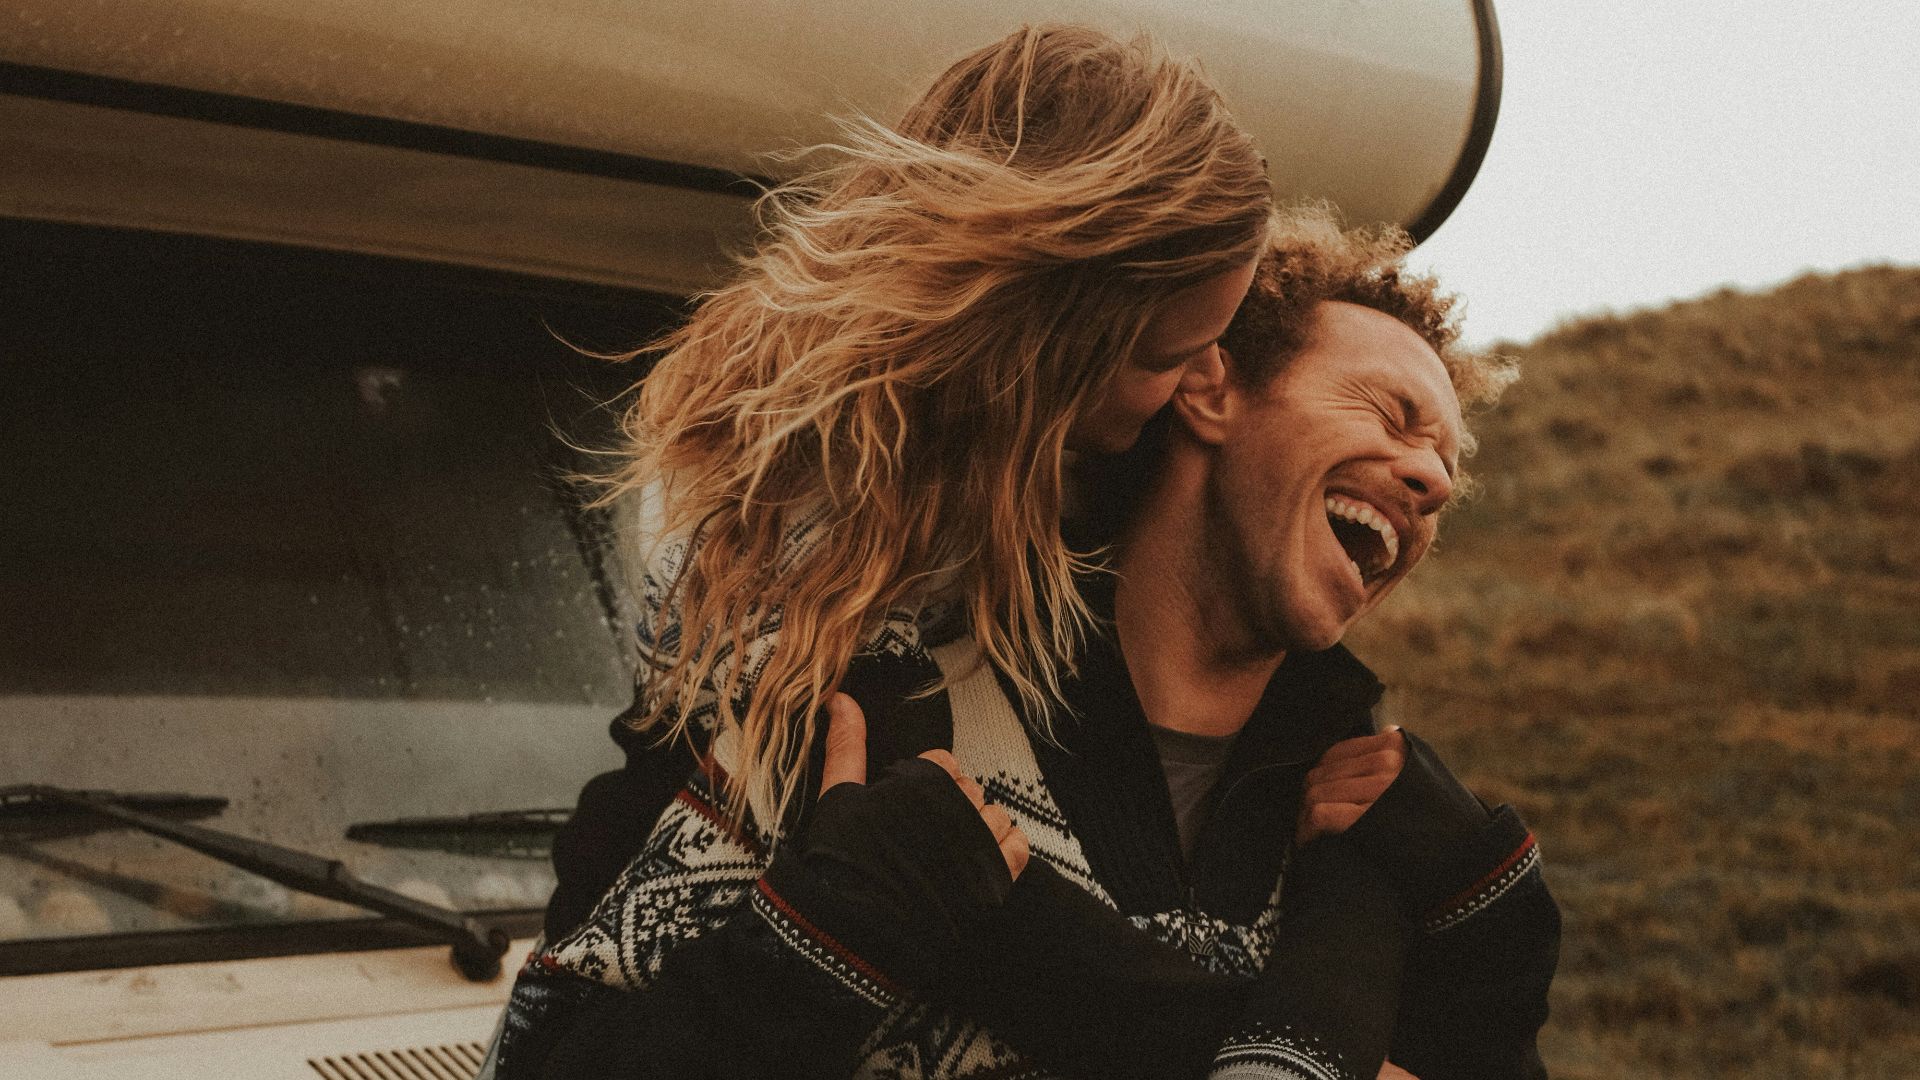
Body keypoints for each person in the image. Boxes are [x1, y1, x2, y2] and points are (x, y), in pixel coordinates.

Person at [500, 210, 1560, 1080]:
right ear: (1208, 387)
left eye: (1445, 464)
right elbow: (550, 1060)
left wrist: (1494, 924)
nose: (1433, 480)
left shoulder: (1369, 837)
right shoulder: (861, 717)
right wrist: (822, 938)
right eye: (1393, 415)